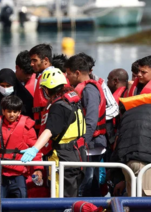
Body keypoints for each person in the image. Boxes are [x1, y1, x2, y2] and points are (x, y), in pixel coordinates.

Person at [20, 68, 87, 197]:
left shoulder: (59, 106)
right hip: (78, 154)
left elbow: (50, 130)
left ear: (46, 89)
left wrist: (34, 149)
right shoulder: (74, 101)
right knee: (72, 196)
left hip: (63, 158)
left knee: (60, 197)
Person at [65, 54, 107, 197]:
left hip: (91, 144)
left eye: (69, 73)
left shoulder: (89, 90)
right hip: (89, 143)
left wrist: (82, 144)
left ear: (77, 73)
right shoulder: (84, 88)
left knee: (87, 182)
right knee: (90, 180)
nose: (67, 77)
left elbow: (91, 120)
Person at [29, 44, 70, 131]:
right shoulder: (42, 76)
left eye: (34, 60)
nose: (31, 64)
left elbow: (60, 103)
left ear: (46, 60)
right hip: (44, 125)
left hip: (50, 127)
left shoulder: (53, 78)